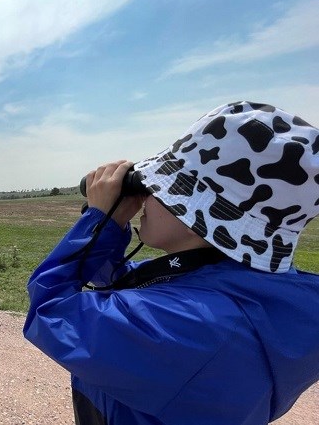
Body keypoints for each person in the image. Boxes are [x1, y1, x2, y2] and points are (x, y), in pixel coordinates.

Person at [23, 101, 319, 425]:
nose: (147, 195)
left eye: (163, 185)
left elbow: (50, 309)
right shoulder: (253, 293)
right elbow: (121, 285)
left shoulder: (191, 323)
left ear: (199, 211)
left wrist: (98, 219)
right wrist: (110, 228)